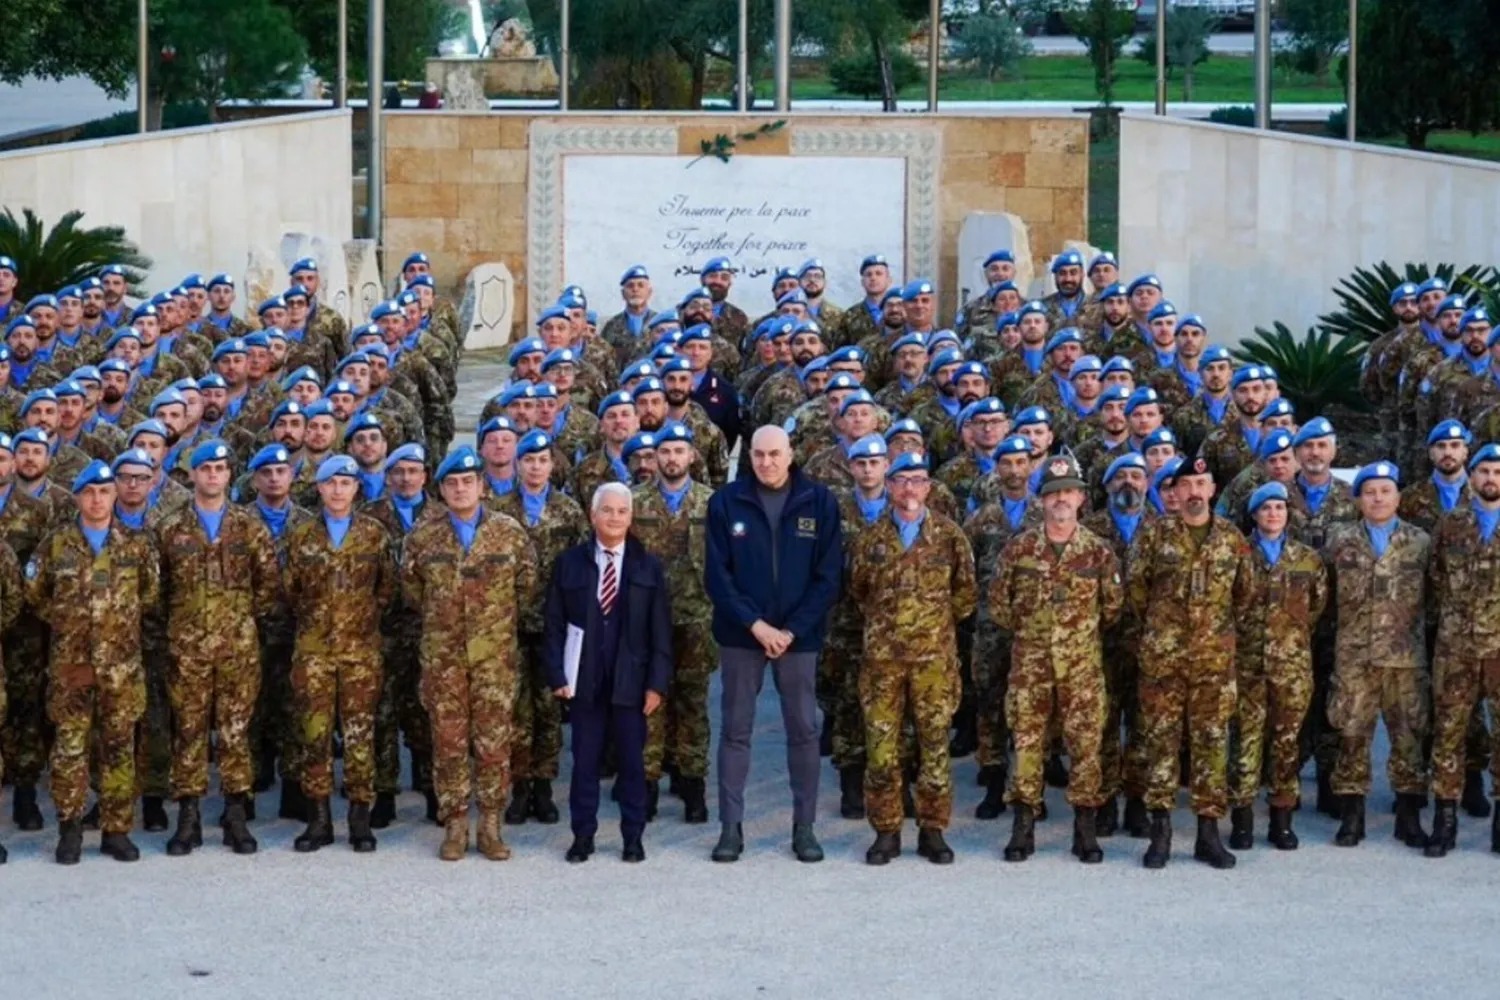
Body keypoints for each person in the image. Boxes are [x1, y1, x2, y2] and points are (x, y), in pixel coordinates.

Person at [705, 425, 842, 863]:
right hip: (742, 636)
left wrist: (791, 630)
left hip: (798, 639)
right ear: (749, 457)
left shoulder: (819, 501)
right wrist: (756, 625)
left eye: (774, 454)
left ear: (791, 454)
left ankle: (804, 828)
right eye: (759, 454)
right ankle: (731, 829)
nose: (767, 462)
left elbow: (828, 577)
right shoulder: (726, 502)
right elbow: (717, 576)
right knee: (735, 731)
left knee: (803, 730)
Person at [401, 447, 538, 861]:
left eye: (468, 481)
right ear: (441, 489)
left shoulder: (509, 533)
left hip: (494, 659)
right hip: (443, 661)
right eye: (452, 483)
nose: (460, 489)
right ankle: (456, 823)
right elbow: (412, 591)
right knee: (448, 743)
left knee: (495, 743)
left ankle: (491, 824)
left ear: (482, 486)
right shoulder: (423, 537)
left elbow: (526, 586)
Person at [990, 454, 1122, 864]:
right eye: (1052, 493)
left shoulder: (1098, 553)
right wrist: (1035, 636)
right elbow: (1000, 606)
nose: (1061, 499)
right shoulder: (1019, 550)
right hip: (1030, 668)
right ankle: (1023, 826)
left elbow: (1112, 609)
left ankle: (1085, 829)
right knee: (1027, 746)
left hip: (1081, 670)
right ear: (1041, 500)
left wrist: (1074, 640)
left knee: (1085, 747)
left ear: (1081, 498)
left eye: (1068, 492)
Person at [849, 451, 977, 865]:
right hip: (882, 663)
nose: (910, 489)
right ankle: (886, 831)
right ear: (889, 486)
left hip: (933, 662)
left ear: (929, 487)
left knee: (934, 745)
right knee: (881, 748)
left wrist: (929, 627)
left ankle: (932, 830)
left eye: (918, 480)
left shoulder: (950, 536)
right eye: (901, 480)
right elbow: (859, 591)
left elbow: (965, 595)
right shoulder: (870, 538)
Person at [25, 460, 154, 864]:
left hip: (121, 667)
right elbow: (35, 594)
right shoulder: (55, 544)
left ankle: (117, 831)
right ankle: (70, 829)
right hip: (71, 666)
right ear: (78, 497)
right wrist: (69, 624)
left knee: (118, 747)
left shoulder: (136, 545)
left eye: (104, 492)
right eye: (89, 492)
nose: (97, 499)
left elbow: (149, 594)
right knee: (70, 748)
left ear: (115, 495)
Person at [1127, 454, 1252, 869]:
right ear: (1174, 492)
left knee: (1212, 745)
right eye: (1186, 486)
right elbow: (1136, 591)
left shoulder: (1231, 538)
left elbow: (1244, 594)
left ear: (1212, 489)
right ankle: (1160, 831)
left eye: (1201, 485)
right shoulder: (1153, 535)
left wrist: (1214, 633)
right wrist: (1162, 633)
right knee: (1160, 743)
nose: (1194, 492)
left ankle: (1208, 834)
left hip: (1213, 663)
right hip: (1164, 662)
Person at [157, 439, 280, 857]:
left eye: (220, 468)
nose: (213, 475)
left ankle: (235, 814)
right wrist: (183, 626)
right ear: (192, 473)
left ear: (229, 475)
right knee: (189, 732)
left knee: (235, 732)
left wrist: (237, 620)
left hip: (237, 650)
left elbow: (268, 586)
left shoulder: (249, 527)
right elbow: (157, 590)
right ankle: (188, 817)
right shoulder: (171, 528)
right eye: (205, 468)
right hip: (187, 651)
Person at [543, 482, 672, 863]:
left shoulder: (647, 565)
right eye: (607, 510)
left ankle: (633, 837)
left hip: (631, 683)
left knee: (632, 764)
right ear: (592, 515)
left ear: (630, 517)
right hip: (585, 682)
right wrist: (557, 675)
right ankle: (583, 836)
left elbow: (661, 631)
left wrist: (657, 684)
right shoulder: (570, 563)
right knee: (585, 763)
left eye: (621, 511)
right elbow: (554, 623)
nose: (614, 517)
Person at [282, 454, 396, 853]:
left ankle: (360, 819)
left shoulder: (374, 534)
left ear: (356, 488)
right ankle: (319, 820)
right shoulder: (301, 535)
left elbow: (386, 588)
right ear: (319, 487)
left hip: (360, 653)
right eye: (330, 482)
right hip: (314, 652)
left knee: (359, 736)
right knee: (314, 736)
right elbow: (290, 590)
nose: (337, 490)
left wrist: (359, 620)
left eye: (345, 483)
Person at [1325, 461, 1432, 850]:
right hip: (1355, 658)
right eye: (1369, 492)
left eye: (1385, 491)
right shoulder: (1340, 541)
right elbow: (1323, 594)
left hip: (1405, 658)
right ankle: (1352, 816)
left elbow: (1437, 595)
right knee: (1352, 735)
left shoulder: (1421, 543)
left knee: (1408, 737)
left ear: (1398, 497)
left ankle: (1408, 816)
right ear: (1358, 499)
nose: (1378, 498)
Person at [1230, 482, 1328, 851]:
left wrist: (1289, 640)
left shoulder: (1307, 559)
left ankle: (1281, 820)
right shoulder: (1238, 555)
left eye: (1280, 507)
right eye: (1266, 508)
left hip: (1291, 667)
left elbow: (1316, 606)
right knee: (1246, 744)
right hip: (1248, 666)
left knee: (1286, 745)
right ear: (1254, 514)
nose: (1273, 514)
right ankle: (1242, 820)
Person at [629, 422, 717, 823]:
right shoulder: (635, 502)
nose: (671, 458)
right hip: (647, 620)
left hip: (696, 617)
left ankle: (692, 782)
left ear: (692, 456)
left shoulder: (712, 504)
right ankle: (646, 784)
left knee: (693, 703)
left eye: (679, 451)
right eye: (664, 452)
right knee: (650, 702)